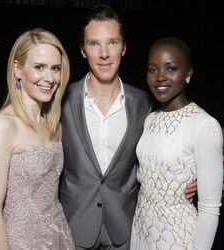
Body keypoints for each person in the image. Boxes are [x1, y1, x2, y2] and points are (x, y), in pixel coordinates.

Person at [59, 5, 197, 250]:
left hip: (125, 229)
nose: (104, 53)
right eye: (94, 44)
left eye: (112, 43)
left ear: (123, 48)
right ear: (82, 50)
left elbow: (189, 129)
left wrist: (205, 173)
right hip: (73, 226)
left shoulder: (145, 103)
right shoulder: (61, 99)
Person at [0, 28, 75, 249]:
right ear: (18, 69)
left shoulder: (54, 126)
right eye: (39, 67)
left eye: (55, 69)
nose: (49, 78)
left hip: (58, 238)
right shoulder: (2, 126)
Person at [130, 37, 223, 250]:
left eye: (171, 68)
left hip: (177, 238)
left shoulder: (203, 124)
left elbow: (210, 207)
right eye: (153, 69)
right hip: (141, 232)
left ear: (188, 73)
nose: (160, 76)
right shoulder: (150, 119)